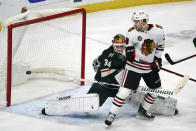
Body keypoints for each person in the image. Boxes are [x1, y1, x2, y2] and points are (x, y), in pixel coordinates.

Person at [105, 10, 165, 126]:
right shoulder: (132, 33)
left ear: (144, 21)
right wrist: (129, 53)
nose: (135, 24)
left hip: (148, 68)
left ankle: (143, 111)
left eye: (137, 21)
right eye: (134, 21)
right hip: (133, 68)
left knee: (156, 90)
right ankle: (111, 114)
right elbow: (129, 52)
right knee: (124, 92)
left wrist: (157, 59)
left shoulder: (158, 31)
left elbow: (160, 46)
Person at [41, 34, 127, 115]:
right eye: (117, 46)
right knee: (86, 107)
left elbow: (96, 63)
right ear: (113, 44)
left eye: (121, 46)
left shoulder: (107, 51)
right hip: (102, 87)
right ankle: (54, 107)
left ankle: (140, 108)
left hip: (117, 87)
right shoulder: (117, 57)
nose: (119, 48)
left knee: (130, 93)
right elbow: (119, 62)